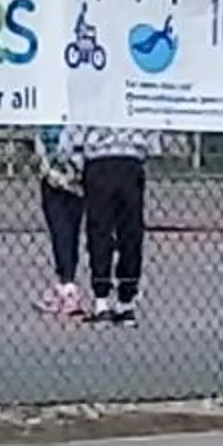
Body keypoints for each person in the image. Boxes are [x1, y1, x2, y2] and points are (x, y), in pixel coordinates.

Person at [67, 121, 154, 325]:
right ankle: (126, 300)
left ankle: (101, 300)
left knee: (99, 232)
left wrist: (77, 160)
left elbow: (72, 133)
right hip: (131, 159)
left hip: (98, 161)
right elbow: (151, 131)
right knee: (130, 233)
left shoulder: (91, 94)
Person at [29, 125, 86, 318]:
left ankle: (68, 286)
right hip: (69, 165)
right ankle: (65, 282)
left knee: (62, 227)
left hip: (65, 167)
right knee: (66, 227)